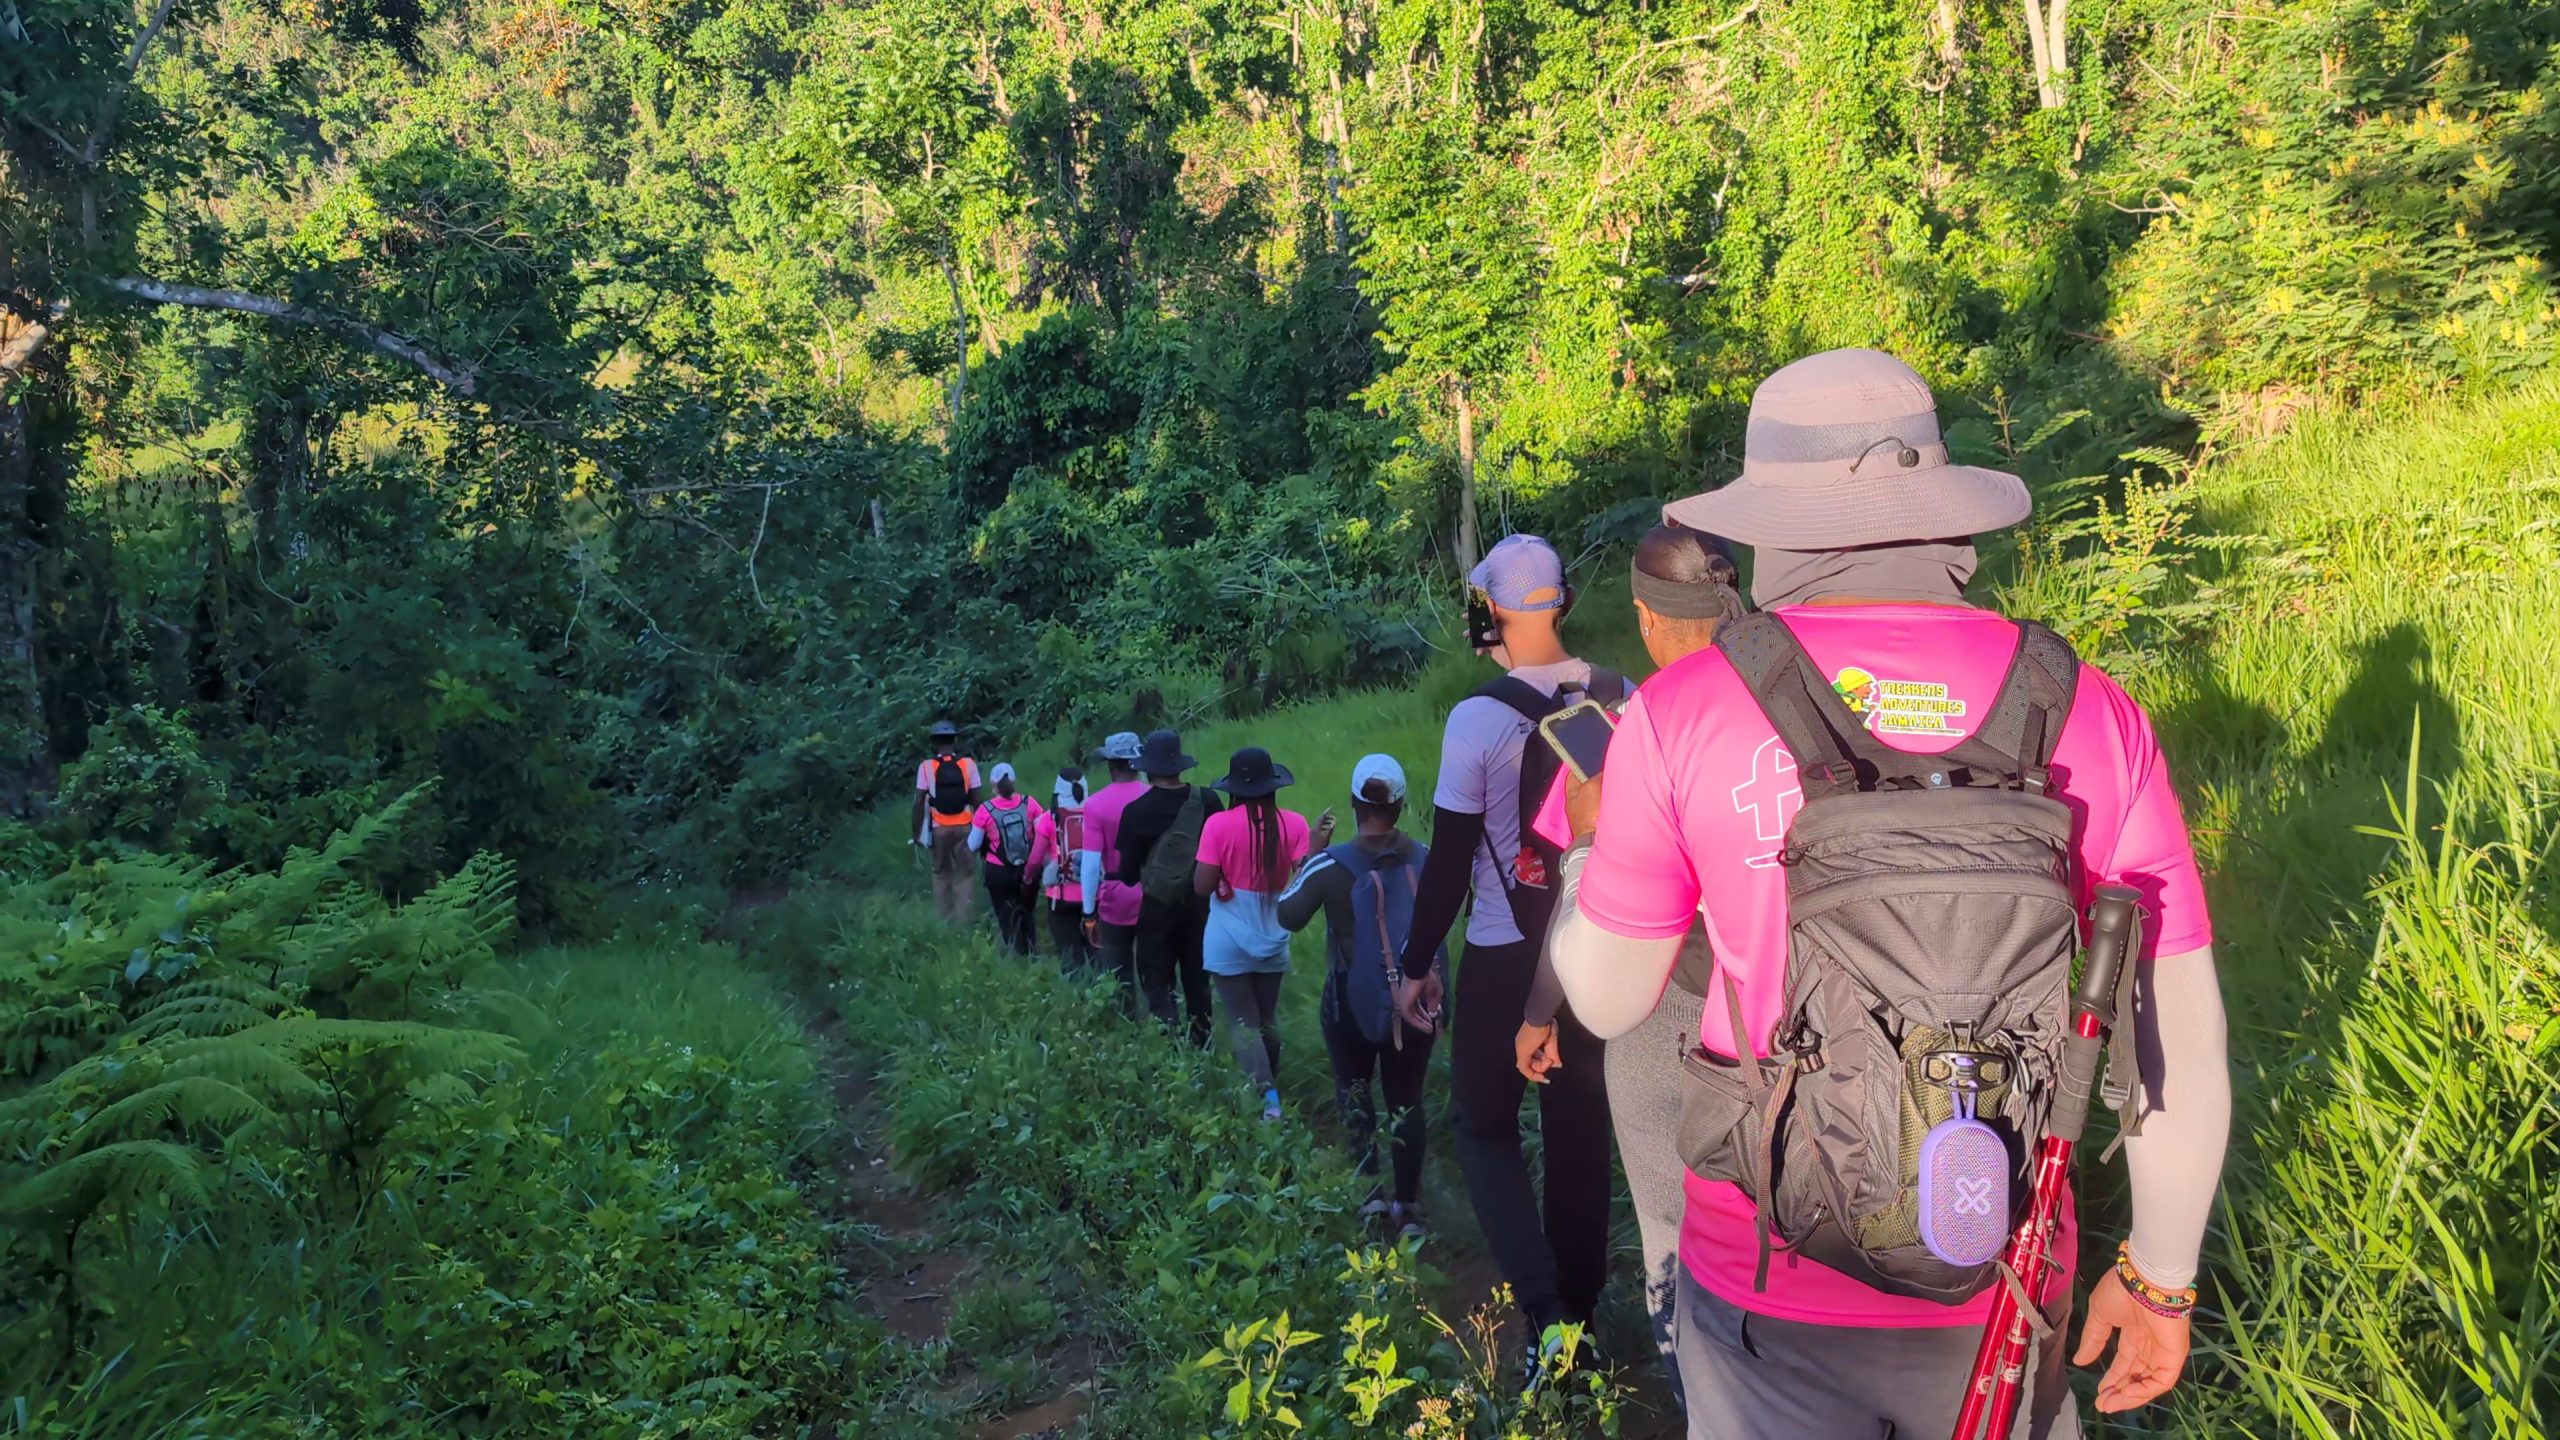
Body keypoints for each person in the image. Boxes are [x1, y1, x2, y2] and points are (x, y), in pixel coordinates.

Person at [1548, 349, 2230, 1438]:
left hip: (1767, 1278)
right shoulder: (2090, 710)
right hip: (2005, 1269)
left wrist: (1584, 863)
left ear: (1766, 522)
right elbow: (2176, 1041)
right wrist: (2159, 1277)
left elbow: (1610, 1001)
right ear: (1944, 513)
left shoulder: (1682, 712)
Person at [1517, 522, 1744, 1407]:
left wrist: (1540, 1013)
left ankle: (1701, 1403)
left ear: (1648, 619)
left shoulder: (1635, 728)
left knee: (1674, 1233)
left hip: (1661, 1016)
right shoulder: (1802, 699)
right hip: (1789, 1013)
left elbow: (1583, 900)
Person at [1395, 532, 1618, 1373]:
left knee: (1483, 1127)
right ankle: (1586, 1323)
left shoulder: (1478, 718)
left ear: (1489, 611)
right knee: (1578, 1130)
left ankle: (1547, 1316)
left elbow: (1451, 858)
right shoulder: (1621, 697)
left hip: (1503, 951)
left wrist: (1416, 965)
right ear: (1559, 602)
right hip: (1596, 947)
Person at [1278, 754, 1438, 1239]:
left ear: (1353, 804)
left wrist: (1308, 855)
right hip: (1414, 997)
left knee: (1353, 1087)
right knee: (1406, 1096)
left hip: (1348, 999)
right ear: (1401, 804)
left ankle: (1369, 1197)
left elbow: (1287, 914)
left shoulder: (1330, 865)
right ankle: (1408, 1207)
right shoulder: (1428, 857)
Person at [1191, 746, 1329, 1120]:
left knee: (1242, 1021)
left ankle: (1267, 1100)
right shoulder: (1296, 824)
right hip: (1275, 933)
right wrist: (1318, 848)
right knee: (1267, 1019)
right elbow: (1305, 878)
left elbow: (1202, 887)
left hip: (1227, 936)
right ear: (1273, 786)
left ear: (1233, 788)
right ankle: (1273, 1090)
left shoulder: (1218, 825)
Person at [1115, 729, 1222, 1046]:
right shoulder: (1209, 801)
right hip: (1200, 906)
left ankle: (1170, 1044)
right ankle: (1202, 1046)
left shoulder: (1135, 813)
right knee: (1197, 981)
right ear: (1180, 765)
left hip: (1157, 908)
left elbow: (1128, 875)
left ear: (1147, 769)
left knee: (1156, 978)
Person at [1079, 733, 1149, 1006]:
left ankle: (1128, 1024)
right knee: (1156, 964)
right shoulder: (1154, 795)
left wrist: (1088, 913)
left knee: (1119, 967)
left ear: (1111, 766)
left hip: (1116, 894)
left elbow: (1091, 864)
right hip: (1155, 891)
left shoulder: (1095, 805)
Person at [967, 763, 1047, 956]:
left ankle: (1015, 954)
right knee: (1027, 911)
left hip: (998, 871)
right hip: (1028, 870)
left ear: (993, 785)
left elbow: (973, 845)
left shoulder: (985, 810)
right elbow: (1044, 833)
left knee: (1006, 916)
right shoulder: (1030, 803)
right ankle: (1032, 952)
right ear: (1014, 781)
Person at [912, 720, 983, 925]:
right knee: (965, 874)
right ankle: (966, 920)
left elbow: (919, 802)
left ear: (934, 742)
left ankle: (944, 921)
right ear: (954, 740)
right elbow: (977, 799)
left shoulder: (926, 767)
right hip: (966, 827)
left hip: (939, 828)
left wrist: (917, 833)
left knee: (941, 873)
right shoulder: (968, 764)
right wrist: (982, 828)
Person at [1041, 768, 1097, 974]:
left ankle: (1075, 998)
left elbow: (1035, 857)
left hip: (1061, 896)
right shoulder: (1098, 814)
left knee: (1069, 957)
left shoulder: (1049, 818)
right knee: (1098, 952)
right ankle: (1105, 996)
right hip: (1095, 894)